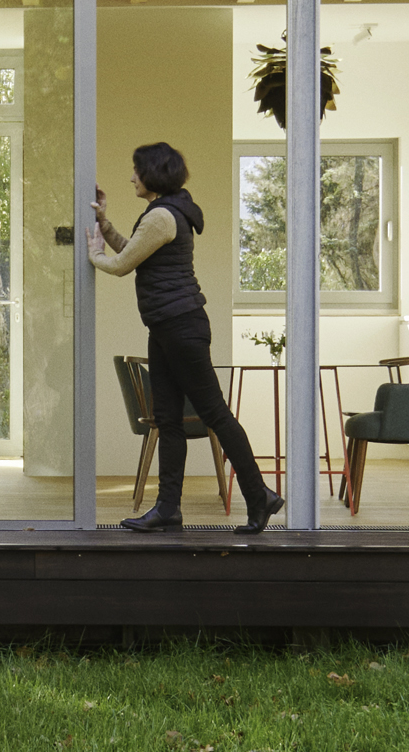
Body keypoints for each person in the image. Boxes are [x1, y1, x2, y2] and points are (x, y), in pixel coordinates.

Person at [87, 139, 274, 534]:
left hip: (182, 327)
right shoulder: (161, 214)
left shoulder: (162, 216)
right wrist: (104, 224)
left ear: (153, 173)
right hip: (166, 327)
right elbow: (134, 253)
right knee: (168, 420)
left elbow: (121, 264)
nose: (131, 177)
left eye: (136, 169)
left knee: (214, 413)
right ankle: (168, 508)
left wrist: (93, 254)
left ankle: (259, 496)